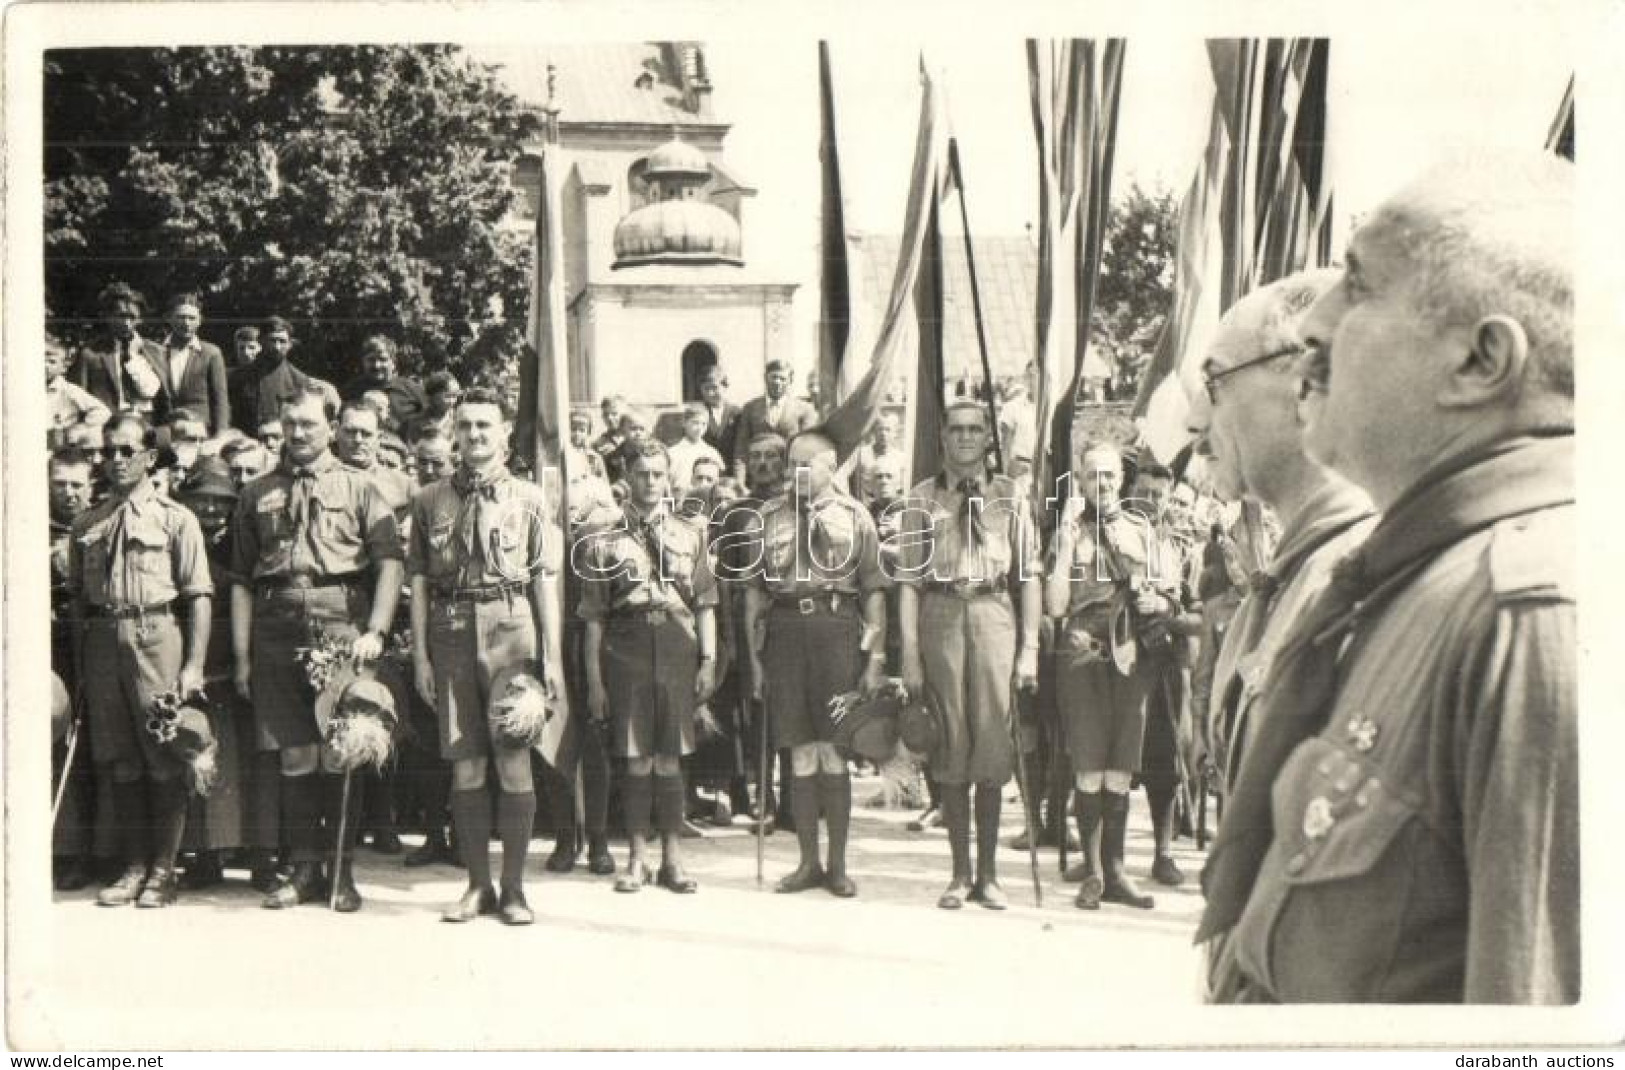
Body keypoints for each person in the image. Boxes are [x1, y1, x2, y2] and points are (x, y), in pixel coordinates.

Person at [1202, 152, 1577, 1003]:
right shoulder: (1416, 579)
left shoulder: (1536, 618)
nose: (1311, 323)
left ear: (1480, 362)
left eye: (1359, 285)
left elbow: (1542, 1043)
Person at [229, 384, 404, 913]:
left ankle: (342, 872)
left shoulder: (360, 486)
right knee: (296, 755)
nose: (298, 434)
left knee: (340, 750)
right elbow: (239, 578)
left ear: (330, 426)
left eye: (308, 424)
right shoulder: (256, 492)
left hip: (339, 620)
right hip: (276, 622)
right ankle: (304, 868)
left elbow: (390, 563)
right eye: (289, 424)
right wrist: (242, 656)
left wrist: (375, 629)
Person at [408, 387, 564, 925]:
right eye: (466, 425)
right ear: (454, 432)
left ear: (502, 434)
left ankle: (516, 888)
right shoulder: (430, 499)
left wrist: (553, 659)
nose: (475, 435)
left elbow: (545, 582)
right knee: (466, 765)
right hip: (451, 630)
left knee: (514, 758)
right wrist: (423, 659)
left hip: (512, 628)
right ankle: (477, 885)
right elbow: (421, 581)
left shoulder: (529, 498)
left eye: (485, 426)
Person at [897, 401, 1041, 910]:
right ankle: (959, 874)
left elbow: (1028, 576)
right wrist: (911, 655)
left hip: (994, 612)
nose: (964, 437)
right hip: (941, 613)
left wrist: (1029, 651)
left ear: (988, 438)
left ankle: (990, 875)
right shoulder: (921, 499)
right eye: (955, 428)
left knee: (992, 744)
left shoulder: (1010, 496)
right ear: (942, 436)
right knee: (950, 742)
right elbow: (909, 584)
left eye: (975, 429)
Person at [66, 412, 214, 907]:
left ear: (151, 458)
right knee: (122, 762)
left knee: (163, 757)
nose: (116, 459)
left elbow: (198, 596)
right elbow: (77, 600)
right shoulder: (87, 523)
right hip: (105, 642)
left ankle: (164, 870)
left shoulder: (176, 519)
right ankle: (134, 865)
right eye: (109, 451)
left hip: (157, 638)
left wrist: (193, 665)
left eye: (127, 450)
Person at [744, 430, 888, 897]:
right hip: (786, 633)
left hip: (837, 631)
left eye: (806, 466)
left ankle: (839, 865)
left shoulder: (855, 516)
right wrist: (756, 661)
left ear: (831, 468)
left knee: (833, 748)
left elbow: (873, 590)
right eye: (791, 466)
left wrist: (874, 659)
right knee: (800, 750)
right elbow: (753, 595)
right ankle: (807, 862)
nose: (795, 475)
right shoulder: (766, 518)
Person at [1044, 442, 1180, 910]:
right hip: (1082, 645)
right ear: (1079, 482)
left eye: (1107, 476)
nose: (1100, 484)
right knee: (1088, 762)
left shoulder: (1144, 529)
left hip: (1132, 647)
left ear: (1119, 481)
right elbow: (1056, 605)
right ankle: (1095, 874)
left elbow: (1171, 597)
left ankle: (1118, 870)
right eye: (1091, 476)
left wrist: (1157, 603)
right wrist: (1063, 546)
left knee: (1122, 763)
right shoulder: (1069, 532)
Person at [579, 441, 719, 893]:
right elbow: (594, 619)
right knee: (637, 759)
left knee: (671, 760)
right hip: (627, 649)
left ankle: (673, 859)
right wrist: (596, 681)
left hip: (677, 647)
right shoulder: (603, 540)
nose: (650, 482)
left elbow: (705, 603)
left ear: (668, 478)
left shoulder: (690, 532)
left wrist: (708, 661)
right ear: (627, 477)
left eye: (658, 474)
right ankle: (637, 857)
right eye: (641, 473)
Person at [172, 459, 260, 890]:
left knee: (240, 763)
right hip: (191, 662)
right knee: (195, 752)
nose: (210, 511)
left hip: (234, 661)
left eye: (220, 503)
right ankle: (202, 855)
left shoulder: (240, 542)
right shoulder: (176, 539)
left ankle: (252, 851)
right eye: (201, 501)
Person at [1125, 463, 1204, 887]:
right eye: (1143, 492)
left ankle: (1163, 852)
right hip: (1117, 661)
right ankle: (1106, 859)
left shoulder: (1182, 549)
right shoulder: (1112, 537)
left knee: (1165, 761)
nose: (1150, 501)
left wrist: (1169, 613)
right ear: (1130, 491)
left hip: (1164, 665)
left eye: (1158, 494)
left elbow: (1201, 614)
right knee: (1114, 759)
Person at [50, 450, 97, 891]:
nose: (69, 492)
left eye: (77, 483)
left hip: (96, 643)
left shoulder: (100, 524)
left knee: (100, 749)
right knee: (63, 744)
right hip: (52, 648)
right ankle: (66, 850)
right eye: (60, 483)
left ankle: (104, 851)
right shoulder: (30, 528)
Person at [76, 282, 166, 420]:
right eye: (121, 316)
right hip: (108, 425)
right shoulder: (91, 354)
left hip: (148, 425)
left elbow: (164, 396)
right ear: (108, 316)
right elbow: (80, 398)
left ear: (140, 319)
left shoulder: (156, 351)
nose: (127, 323)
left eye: (132, 317)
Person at [229, 316, 323, 436]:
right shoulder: (238, 377)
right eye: (272, 340)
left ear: (290, 344)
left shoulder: (299, 381)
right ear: (261, 341)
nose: (277, 347)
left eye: (282, 341)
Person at [731, 359, 818, 483]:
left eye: (782, 379)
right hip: (757, 479)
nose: (777, 382)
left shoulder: (804, 409)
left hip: (788, 480)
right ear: (766, 378)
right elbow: (741, 450)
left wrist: (802, 485)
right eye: (773, 377)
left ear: (790, 381)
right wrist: (739, 484)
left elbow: (807, 450)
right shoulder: (751, 408)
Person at [159, 293, 231, 435]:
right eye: (181, 317)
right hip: (164, 429)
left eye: (192, 318)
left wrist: (221, 435)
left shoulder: (211, 353)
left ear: (199, 321)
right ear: (169, 318)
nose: (186, 323)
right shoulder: (157, 351)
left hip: (199, 429)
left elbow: (220, 399)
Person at [341, 335, 428, 439]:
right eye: (371, 360)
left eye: (383, 359)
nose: (377, 365)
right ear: (363, 362)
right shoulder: (351, 391)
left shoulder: (412, 389)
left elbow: (430, 420)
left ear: (393, 362)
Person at [47, 336, 111, 443]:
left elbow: (103, 411)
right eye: (41, 360)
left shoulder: (69, 390)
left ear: (64, 367)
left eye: (52, 362)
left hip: (59, 443)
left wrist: (80, 427)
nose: (45, 366)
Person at [668, 402, 726, 493]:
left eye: (704, 424)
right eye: (695, 423)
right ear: (684, 423)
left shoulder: (712, 452)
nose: (700, 428)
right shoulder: (672, 453)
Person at [697, 367, 740, 459]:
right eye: (706, 389)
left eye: (714, 388)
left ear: (725, 386)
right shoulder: (698, 412)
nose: (710, 393)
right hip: (706, 467)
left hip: (732, 467)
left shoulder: (737, 413)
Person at [565, 410, 608, 482]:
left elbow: (604, 483)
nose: (577, 434)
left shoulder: (594, 457)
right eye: (573, 429)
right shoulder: (563, 454)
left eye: (582, 430)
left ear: (588, 433)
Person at [420, 372, 461, 443]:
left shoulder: (459, 421)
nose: (452, 401)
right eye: (447, 396)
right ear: (431, 396)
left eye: (455, 396)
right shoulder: (416, 423)